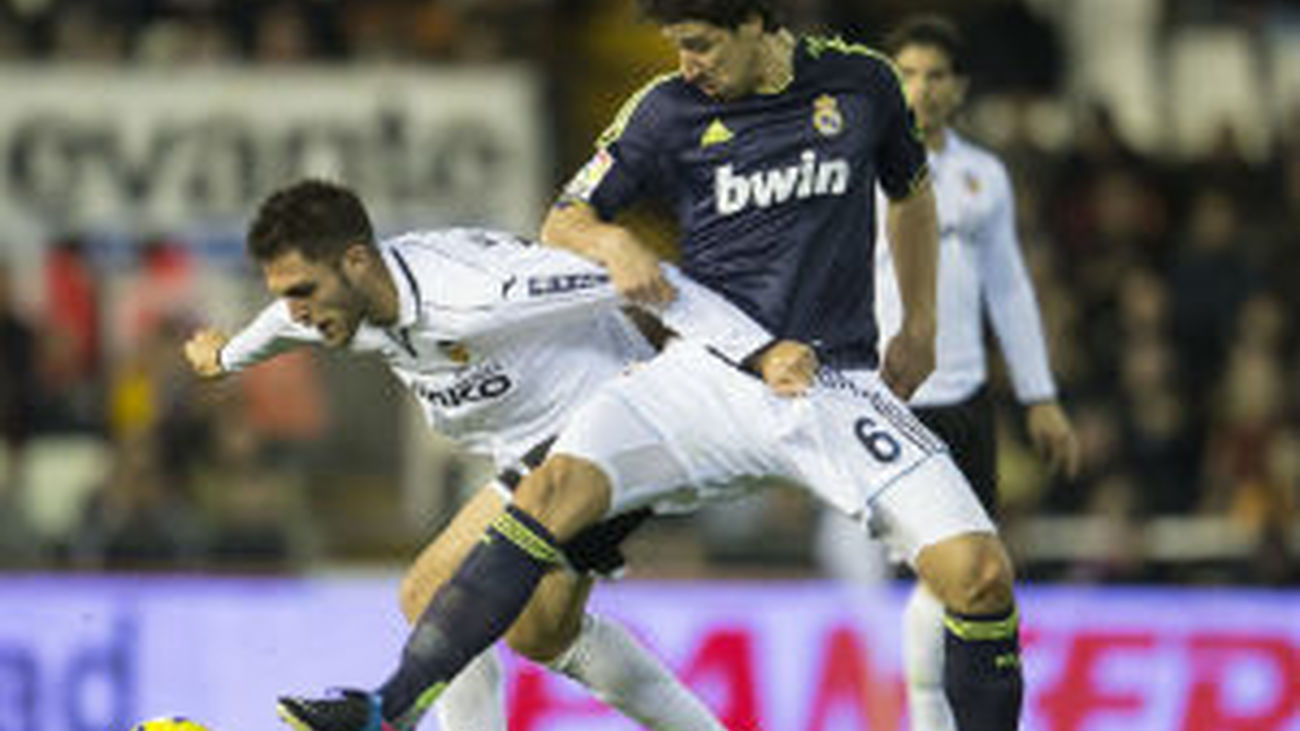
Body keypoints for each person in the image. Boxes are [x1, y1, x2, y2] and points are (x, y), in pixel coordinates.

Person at [278, 3, 1025, 730]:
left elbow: (909, 192)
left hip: (829, 382)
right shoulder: (664, 110)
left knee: (981, 575)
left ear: (756, 23)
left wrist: (920, 322)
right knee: (551, 489)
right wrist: (614, 243)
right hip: (699, 373)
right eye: (676, 44)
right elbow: (564, 219)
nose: (686, 63)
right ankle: (386, 706)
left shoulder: (863, 86)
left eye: (700, 43)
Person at [183, 179, 768, 731]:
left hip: (606, 433)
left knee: (430, 592)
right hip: (544, 451)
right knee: (541, 636)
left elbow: (643, 278)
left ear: (356, 261)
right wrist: (225, 356)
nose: (297, 312)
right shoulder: (338, 303)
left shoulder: (479, 296)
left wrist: (760, 352)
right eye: (286, 295)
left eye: (302, 291)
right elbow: (274, 329)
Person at [814, 15, 1081, 729]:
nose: (921, 89)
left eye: (935, 75)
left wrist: (1040, 395)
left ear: (958, 88)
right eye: (906, 73)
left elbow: (1010, 287)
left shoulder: (981, 175)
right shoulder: (853, 170)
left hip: (963, 402)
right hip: (878, 399)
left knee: (956, 583)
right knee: (890, 578)